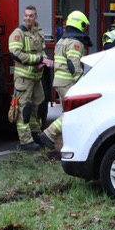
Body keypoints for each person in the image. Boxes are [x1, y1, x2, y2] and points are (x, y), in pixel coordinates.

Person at [37, 10, 90, 150]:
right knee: (73, 113)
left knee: (67, 112)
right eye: (84, 26)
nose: (85, 29)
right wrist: (82, 82)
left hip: (60, 82)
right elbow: (74, 65)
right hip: (69, 83)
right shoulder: (75, 43)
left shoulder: (61, 41)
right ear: (79, 24)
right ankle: (48, 134)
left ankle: (63, 144)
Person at [8, 4, 50, 151]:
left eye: (31, 16)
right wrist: (37, 59)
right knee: (23, 109)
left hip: (36, 77)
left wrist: (44, 60)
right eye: (26, 15)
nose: (27, 18)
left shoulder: (38, 32)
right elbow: (15, 54)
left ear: (35, 17)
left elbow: (42, 51)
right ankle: (25, 141)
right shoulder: (18, 33)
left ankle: (35, 134)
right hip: (24, 79)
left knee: (36, 106)